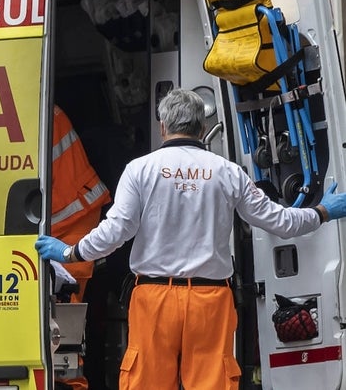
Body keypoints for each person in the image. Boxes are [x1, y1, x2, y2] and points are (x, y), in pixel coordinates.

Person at [36, 88, 346, 390]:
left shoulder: (140, 170)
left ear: (162, 126)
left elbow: (115, 233)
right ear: (202, 127)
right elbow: (280, 222)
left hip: (154, 299)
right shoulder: (228, 172)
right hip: (210, 302)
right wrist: (323, 211)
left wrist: (70, 252)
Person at [51, 104, 111, 303]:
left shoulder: (32, 112)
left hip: (71, 213)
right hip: (73, 208)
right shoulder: (46, 110)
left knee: (65, 301)